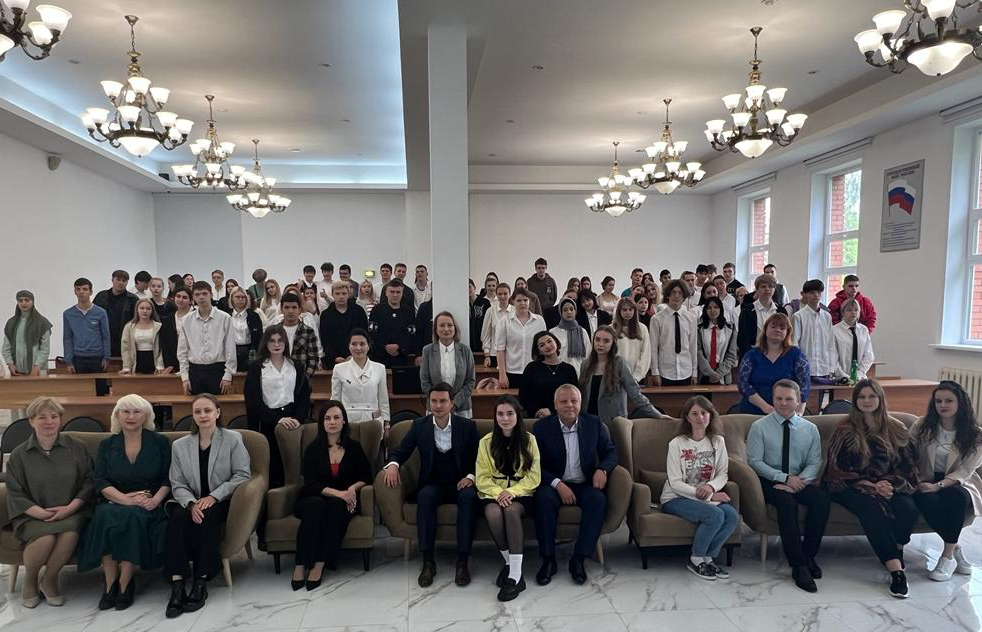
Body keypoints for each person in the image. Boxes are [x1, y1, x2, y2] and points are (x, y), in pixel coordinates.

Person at [825, 379, 919, 598]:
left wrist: (889, 484)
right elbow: (835, 469)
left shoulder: (896, 428)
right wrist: (869, 485)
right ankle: (896, 571)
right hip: (851, 486)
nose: (866, 401)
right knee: (872, 510)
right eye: (861, 397)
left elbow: (907, 467)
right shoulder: (845, 429)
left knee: (908, 509)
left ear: (880, 399)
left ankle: (896, 547)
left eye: (871, 396)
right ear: (855, 401)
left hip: (889, 484)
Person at [77, 395, 170, 611]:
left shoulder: (160, 442)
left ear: (146, 416)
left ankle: (125, 583)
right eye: (125, 411)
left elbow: (169, 478)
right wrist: (126, 500)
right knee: (104, 516)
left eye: (137, 412)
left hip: (148, 503)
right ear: (117, 416)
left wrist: (155, 500)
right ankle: (110, 584)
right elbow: (101, 480)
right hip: (116, 500)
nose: (130, 416)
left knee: (131, 517)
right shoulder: (107, 444)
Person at [383, 384, 479, 587]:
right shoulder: (420, 425)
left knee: (469, 498)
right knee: (424, 497)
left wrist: (471, 477)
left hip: (460, 483)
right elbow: (401, 451)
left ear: (452, 403)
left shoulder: (467, 426)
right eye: (434, 401)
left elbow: (479, 458)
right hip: (433, 483)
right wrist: (393, 465)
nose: (438, 405)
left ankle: (462, 561)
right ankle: (428, 561)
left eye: (443, 401)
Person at [164, 393, 250, 618]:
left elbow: (242, 474)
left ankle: (200, 581)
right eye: (198, 411)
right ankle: (177, 583)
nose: (203, 415)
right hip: (189, 500)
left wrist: (213, 497)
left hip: (220, 500)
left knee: (209, 517)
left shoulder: (232, 439)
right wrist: (191, 503)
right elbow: (177, 483)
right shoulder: (180, 446)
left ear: (217, 413)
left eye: (208, 411)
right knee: (176, 519)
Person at [5, 397, 93, 607]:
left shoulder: (77, 447)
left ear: (60, 419)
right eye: (42, 417)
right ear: (31, 421)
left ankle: (50, 580)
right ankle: (30, 581)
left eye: (54, 416)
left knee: (70, 532)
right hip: (32, 515)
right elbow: (14, 492)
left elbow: (89, 482)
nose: (49, 422)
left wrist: (70, 508)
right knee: (45, 538)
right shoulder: (19, 454)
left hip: (72, 512)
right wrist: (40, 513)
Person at [747, 379, 828, 593]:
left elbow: (815, 462)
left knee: (821, 500)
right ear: (773, 399)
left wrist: (797, 481)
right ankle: (798, 565)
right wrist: (784, 479)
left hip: (799, 480)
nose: (783, 403)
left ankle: (808, 556)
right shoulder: (759, 427)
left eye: (789, 399)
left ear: (798, 400)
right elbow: (755, 462)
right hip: (769, 480)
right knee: (786, 503)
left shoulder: (810, 429)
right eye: (779, 398)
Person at [533, 384, 617, 586]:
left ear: (580, 403)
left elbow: (611, 452)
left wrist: (602, 469)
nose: (569, 405)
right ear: (555, 405)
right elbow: (534, 464)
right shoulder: (542, 427)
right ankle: (548, 560)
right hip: (554, 483)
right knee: (543, 500)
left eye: (574, 401)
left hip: (583, 483)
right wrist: (558, 484)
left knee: (598, 500)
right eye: (564, 401)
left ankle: (579, 559)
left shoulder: (594, 423)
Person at [291, 401, 371, 591]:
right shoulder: (313, 448)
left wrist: (351, 489)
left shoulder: (354, 447)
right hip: (314, 496)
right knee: (316, 506)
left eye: (336, 417)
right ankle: (300, 564)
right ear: (322, 422)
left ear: (344, 421)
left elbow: (367, 477)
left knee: (335, 506)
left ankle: (319, 563)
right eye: (327, 418)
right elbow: (310, 483)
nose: (332, 422)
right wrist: (339, 493)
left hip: (342, 500)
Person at [910, 381, 982, 581]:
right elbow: (908, 456)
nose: (943, 405)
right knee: (928, 500)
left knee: (956, 497)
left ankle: (946, 557)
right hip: (924, 478)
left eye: (949, 400)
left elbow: (966, 470)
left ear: (960, 403)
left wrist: (938, 485)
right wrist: (920, 481)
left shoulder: (975, 434)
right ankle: (955, 548)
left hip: (959, 481)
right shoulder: (922, 426)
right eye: (938, 401)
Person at [660, 396, 739, 580]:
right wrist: (707, 495)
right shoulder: (676, 444)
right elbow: (675, 482)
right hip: (675, 498)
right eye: (694, 414)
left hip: (705, 495)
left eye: (704, 413)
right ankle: (696, 559)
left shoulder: (718, 441)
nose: (700, 417)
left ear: (711, 415)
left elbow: (723, 473)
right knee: (715, 515)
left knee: (732, 516)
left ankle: (708, 558)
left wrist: (711, 487)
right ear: (687, 417)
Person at [477, 395, 541, 601]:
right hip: (494, 493)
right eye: (500, 414)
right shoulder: (485, 442)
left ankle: (515, 576)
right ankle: (509, 563)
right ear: (495, 417)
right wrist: (499, 494)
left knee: (511, 510)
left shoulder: (529, 440)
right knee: (492, 512)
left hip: (521, 493)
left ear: (517, 415)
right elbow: (482, 477)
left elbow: (534, 476)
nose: (505, 418)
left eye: (510, 413)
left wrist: (512, 492)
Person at [245, 325, 312, 488]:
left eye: (280, 340)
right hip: (267, 421)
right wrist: (277, 419)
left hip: (292, 420)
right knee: (271, 465)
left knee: (291, 466)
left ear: (286, 343)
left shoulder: (296, 366)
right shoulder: (257, 368)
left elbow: (304, 397)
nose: (276, 344)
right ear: (265, 343)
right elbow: (253, 401)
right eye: (272, 341)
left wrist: (297, 419)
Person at [579, 326, 661, 424]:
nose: (600, 344)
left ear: (613, 343)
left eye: (606, 341)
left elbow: (635, 393)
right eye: (597, 339)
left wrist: (658, 415)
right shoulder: (586, 364)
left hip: (613, 421)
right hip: (589, 419)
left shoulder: (619, 363)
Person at [738, 313, 810, 414]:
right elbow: (743, 384)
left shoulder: (797, 355)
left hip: (786, 412)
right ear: (765, 329)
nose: (778, 330)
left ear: (787, 332)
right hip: (753, 411)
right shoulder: (751, 355)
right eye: (773, 326)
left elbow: (804, 385)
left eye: (782, 328)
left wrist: (799, 411)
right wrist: (766, 407)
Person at [178, 282, 236, 396]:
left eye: (204, 293)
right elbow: (182, 351)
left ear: (211, 295)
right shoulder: (186, 320)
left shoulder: (225, 318)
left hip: (217, 370)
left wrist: (228, 374)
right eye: (197, 294)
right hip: (195, 370)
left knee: (219, 404)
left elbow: (230, 348)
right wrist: (184, 377)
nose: (201, 297)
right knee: (197, 404)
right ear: (193, 297)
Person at [420, 311, 477, 418]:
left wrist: (454, 403)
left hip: (461, 407)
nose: (446, 329)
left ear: (455, 328)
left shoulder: (465, 350)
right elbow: (425, 381)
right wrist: (440, 402)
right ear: (435, 329)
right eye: (442, 325)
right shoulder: (427, 351)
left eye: (450, 325)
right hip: (436, 408)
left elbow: (470, 381)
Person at [332, 328, 390, 426]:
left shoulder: (380, 368)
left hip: (373, 421)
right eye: (354, 344)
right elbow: (335, 399)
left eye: (362, 344)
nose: (358, 348)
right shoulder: (339, 369)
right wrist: (335, 420)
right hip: (348, 421)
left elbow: (383, 400)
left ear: (368, 346)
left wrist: (387, 423)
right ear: (349, 346)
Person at [518, 331, 579, 419]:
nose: (547, 346)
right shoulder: (531, 368)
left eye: (549, 341)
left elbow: (574, 396)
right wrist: (537, 411)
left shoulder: (569, 369)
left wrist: (553, 411)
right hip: (538, 417)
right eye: (542, 345)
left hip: (563, 416)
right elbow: (523, 397)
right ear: (539, 351)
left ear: (556, 342)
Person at [649, 279, 698, 386]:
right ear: (668, 295)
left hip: (686, 370)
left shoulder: (691, 318)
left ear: (684, 295)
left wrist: (694, 372)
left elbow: (693, 346)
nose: (676, 296)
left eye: (680, 293)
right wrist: (655, 372)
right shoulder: (657, 319)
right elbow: (653, 347)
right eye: (673, 292)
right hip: (665, 371)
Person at [495, 288, 546, 390]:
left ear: (529, 301)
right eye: (519, 300)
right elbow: (500, 350)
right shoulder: (504, 321)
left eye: (525, 300)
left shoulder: (539, 321)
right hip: (512, 372)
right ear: (513, 301)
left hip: (534, 371)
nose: (523, 303)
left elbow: (543, 348)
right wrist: (502, 375)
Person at [791, 280, 837, 386]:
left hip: (824, 368)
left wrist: (831, 367)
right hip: (805, 367)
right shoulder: (798, 316)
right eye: (812, 292)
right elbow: (794, 344)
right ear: (805, 294)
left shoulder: (827, 316)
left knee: (822, 396)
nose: (816, 295)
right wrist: (799, 365)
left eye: (818, 292)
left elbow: (830, 344)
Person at [63, 277, 110, 374]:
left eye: (85, 289)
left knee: (100, 384)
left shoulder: (101, 313)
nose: (81, 292)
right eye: (78, 289)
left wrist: (106, 357)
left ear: (91, 292)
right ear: (75, 292)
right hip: (78, 358)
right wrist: (68, 361)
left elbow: (106, 336)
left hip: (97, 357)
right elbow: (67, 338)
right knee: (81, 384)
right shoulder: (68, 314)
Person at [368, 279, 418, 368]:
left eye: (398, 292)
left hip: (402, 356)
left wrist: (399, 346)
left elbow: (411, 333)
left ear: (402, 293)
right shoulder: (377, 310)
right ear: (386, 293)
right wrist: (385, 346)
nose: (395, 295)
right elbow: (372, 332)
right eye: (392, 292)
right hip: (380, 356)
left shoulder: (408, 311)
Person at [319, 281, 369, 369]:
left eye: (344, 293)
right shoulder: (326, 315)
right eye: (337, 294)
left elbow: (364, 334)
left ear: (348, 294)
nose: (341, 296)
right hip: (333, 360)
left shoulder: (359, 311)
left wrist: (354, 354)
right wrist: (335, 357)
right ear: (332, 295)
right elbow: (325, 338)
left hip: (357, 356)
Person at [737, 273, 788, 358]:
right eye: (763, 286)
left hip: (777, 356)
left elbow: (785, 335)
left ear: (774, 289)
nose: (767, 289)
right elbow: (742, 340)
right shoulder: (747, 311)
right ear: (757, 290)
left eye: (770, 286)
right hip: (753, 356)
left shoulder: (781, 310)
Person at [4, 290, 52, 376]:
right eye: (20, 300)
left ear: (32, 301)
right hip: (17, 372)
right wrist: (10, 364)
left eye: (27, 300)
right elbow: (6, 347)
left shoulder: (42, 323)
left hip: (39, 371)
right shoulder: (11, 323)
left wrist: (37, 366)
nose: (23, 303)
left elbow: (45, 348)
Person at [94, 270, 138, 358]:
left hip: (124, 340)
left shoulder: (133, 299)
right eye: (118, 279)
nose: (121, 283)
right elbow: (93, 317)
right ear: (112, 280)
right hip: (102, 340)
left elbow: (137, 321)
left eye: (124, 281)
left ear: (127, 282)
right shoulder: (101, 296)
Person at [275, 293, 320, 379]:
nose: (290, 311)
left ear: (299, 309)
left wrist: (304, 378)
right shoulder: (274, 331)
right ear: (281, 309)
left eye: (294, 307)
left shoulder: (308, 331)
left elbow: (313, 359)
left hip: (301, 378)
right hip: (277, 378)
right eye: (287, 307)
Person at [696, 297, 738, 385]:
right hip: (704, 373)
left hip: (723, 374)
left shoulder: (730, 329)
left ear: (721, 309)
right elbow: (698, 352)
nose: (712, 310)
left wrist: (719, 373)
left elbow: (731, 355)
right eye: (709, 308)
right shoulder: (699, 329)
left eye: (716, 307)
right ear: (705, 310)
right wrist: (710, 373)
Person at [833, 298, 875, 382]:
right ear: (843, 312)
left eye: (856, 310)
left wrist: (859, 374)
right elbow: (832, 357)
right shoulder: (834, 330)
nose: (853, 312)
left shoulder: (863, 330)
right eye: (849, 310)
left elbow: (869, 355)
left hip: (860, 378)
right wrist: (844, 376)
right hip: (841, 378)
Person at [120, 298, 164, 375]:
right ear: (137, 310)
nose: (145, 311)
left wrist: (160, 365)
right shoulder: (129, 327)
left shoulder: (159, 326)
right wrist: (127, 367)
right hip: (136, 361)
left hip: (154, 362)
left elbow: (163, 348)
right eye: (142, 308)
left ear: (152, 311)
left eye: (148, 308)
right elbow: (125, 348)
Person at [612, 297, 650, 382]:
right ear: (619, 311)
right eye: (624, 310)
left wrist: (637, 376)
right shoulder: (611, 329)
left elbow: (645, 354)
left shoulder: (642, 328)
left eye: (630, 309)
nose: (628, 312)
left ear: (634, 310)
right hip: (616, 377)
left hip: (637, 378)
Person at [550, 297, 591, 377]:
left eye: (571, 309)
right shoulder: (553, 332)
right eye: (565, 310)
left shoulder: (582, 332)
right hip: (558, 374)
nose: (569, 312)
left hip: (578, 374)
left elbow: (588, 356)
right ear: (561, 312)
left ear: (575, 311)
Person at [227, 286, 264, 372]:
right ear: (232, 299)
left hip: (249, 351)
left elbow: (259, 337)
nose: (240, 299)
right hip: (231, 352)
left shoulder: (254, 316)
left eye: (243, 297)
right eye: (237, 297)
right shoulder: (226, 316)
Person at [159, 287, 192, 374]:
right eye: (178, 296)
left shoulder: (196, 317)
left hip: (194, 363)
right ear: (174, 298)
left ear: (191, 301)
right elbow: (165, 345)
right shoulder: (167, 320)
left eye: (185, 297)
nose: (180, 300)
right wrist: (169, 364)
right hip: (174, 364)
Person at [481, 282, 513, 369]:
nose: (502, 296)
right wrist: (487, 355)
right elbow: (486, 335)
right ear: (496, 295)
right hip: (494, 354)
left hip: (511, 354)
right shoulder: (490, 311)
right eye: (499, 294)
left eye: (505, 293)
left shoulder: (515, 311)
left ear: (509, 294)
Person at [468, 279, 490, 353]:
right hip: (468, 344)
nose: (468, 289)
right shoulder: (463, 304)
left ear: (474, 287)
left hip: (482, 344)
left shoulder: (485, 302)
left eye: (469, 287)